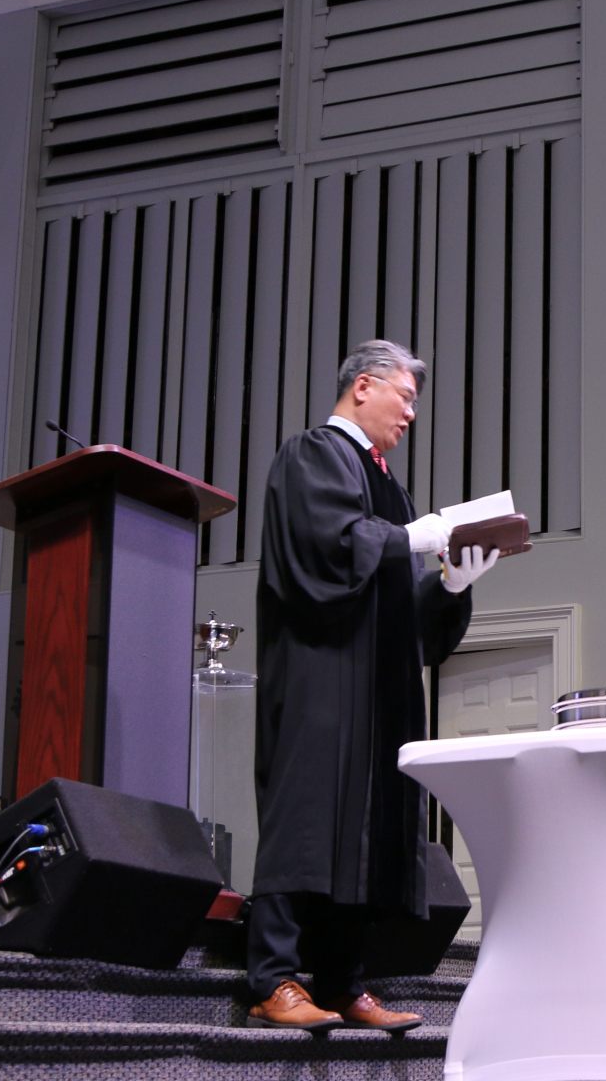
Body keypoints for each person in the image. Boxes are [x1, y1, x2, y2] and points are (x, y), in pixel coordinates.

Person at [245, 339, 499, 1032]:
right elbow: (328, 550)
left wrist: (450, 585)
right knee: (306, 818)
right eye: (405, 397)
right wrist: (414, 538)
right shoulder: (311, 455)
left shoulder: (392, 489)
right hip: (320, 675)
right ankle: (272, 979)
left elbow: (403, 608)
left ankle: (342, 983)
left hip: (377, 690)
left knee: (362, 833)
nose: (412, 414)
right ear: (363, 386)